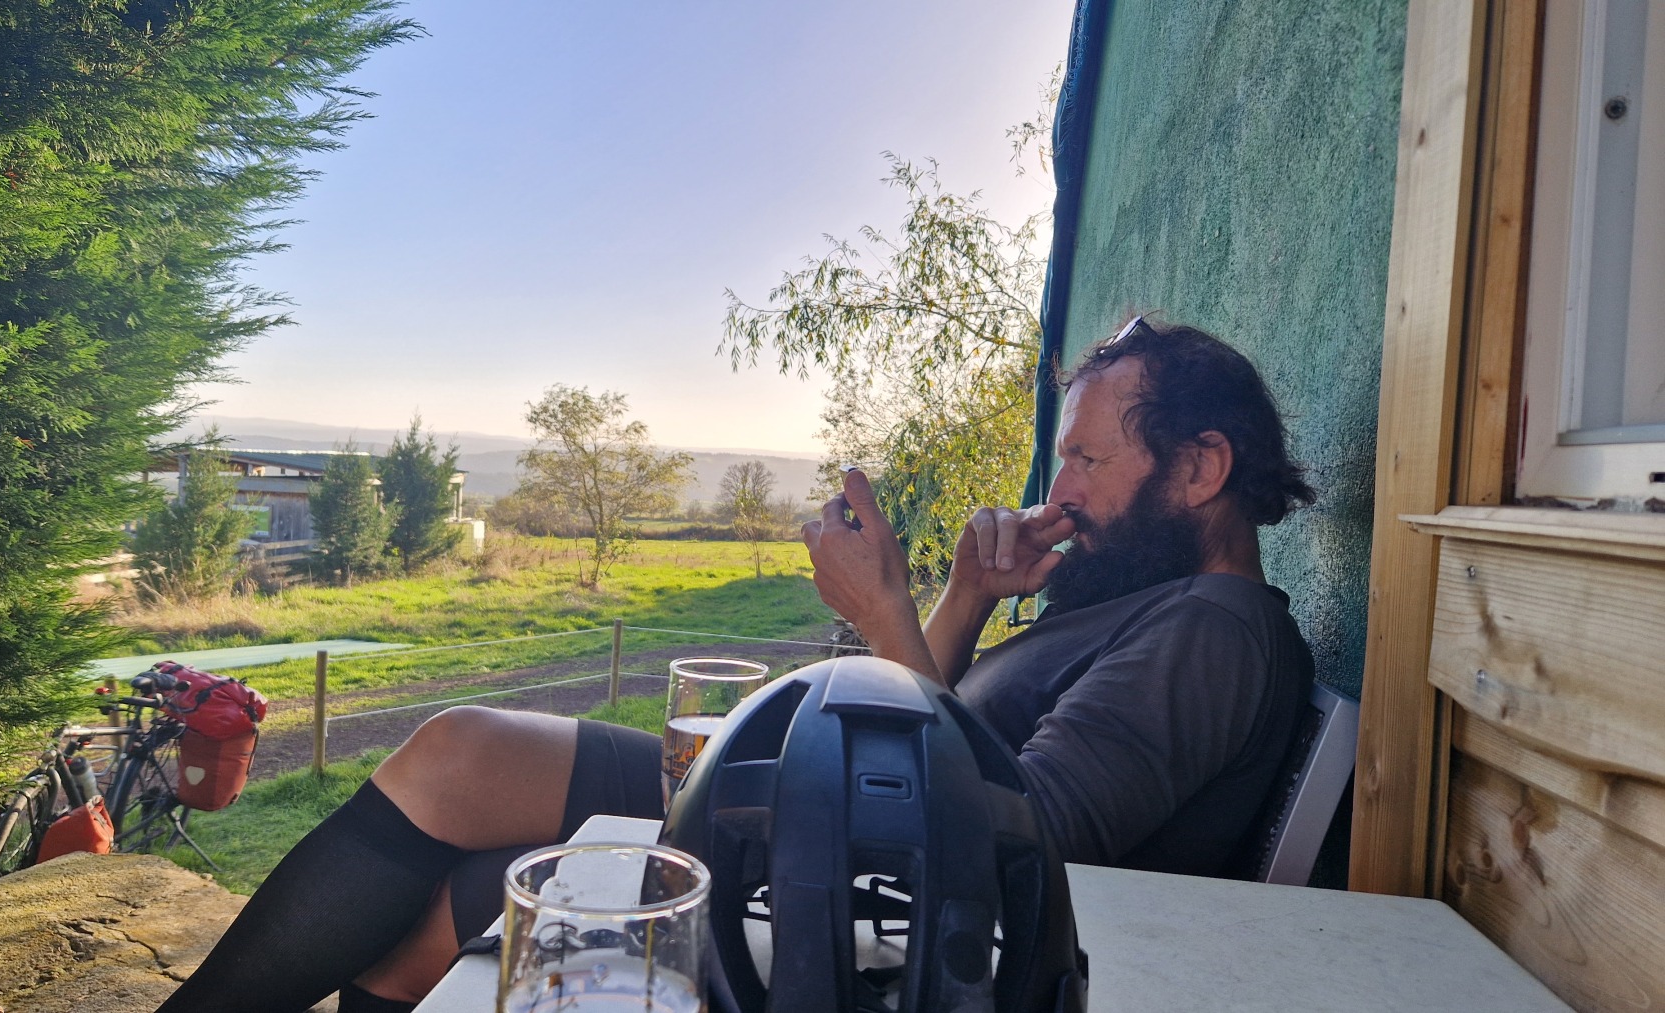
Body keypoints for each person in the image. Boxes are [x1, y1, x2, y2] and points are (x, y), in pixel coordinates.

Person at [154, 315, 1317, 1013]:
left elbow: (1007, 840)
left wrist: (885, 609)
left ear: (1200, 467)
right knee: (459, 764)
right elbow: (960, 742)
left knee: (456, 874)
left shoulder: (1213, 631)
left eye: (1088, 461)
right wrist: (967, 595)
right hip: (839, 831)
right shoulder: (1142, 604)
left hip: (856, 879)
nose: (1060, 488)